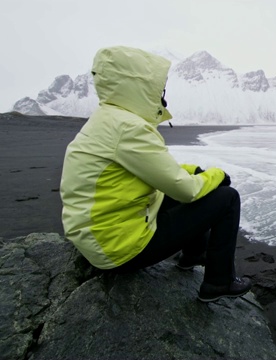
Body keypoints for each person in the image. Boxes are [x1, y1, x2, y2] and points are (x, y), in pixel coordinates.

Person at [60, 46, 251, 302]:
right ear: (139, 85)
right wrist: (217, 175)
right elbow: (186, 189)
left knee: (171, 191)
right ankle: (219, 282)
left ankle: (194, 254)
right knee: (227, 198)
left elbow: (158, 172)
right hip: (118, 248)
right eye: (158, 87)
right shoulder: (129, 128)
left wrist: (194, 171)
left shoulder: (109, 120)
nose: (162, 93)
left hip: (100, 235)